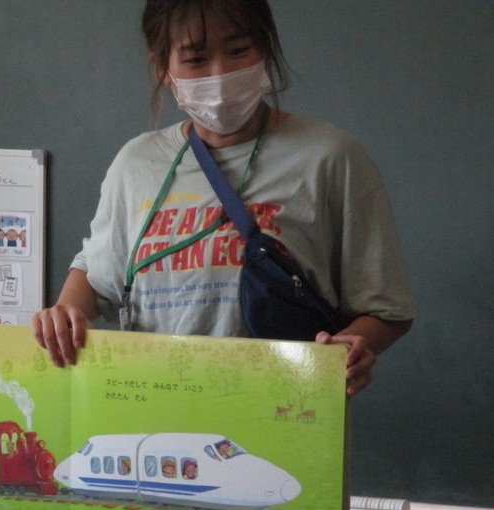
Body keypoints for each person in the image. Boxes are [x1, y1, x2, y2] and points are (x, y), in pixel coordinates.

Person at [32, 0, 415, 396]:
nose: (220, 74)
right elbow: (97, 275)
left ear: (264, 48)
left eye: (238, 50)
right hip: (152, 411)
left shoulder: (331, 157)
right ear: (163, 67)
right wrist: (66, 314)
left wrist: (353, 347)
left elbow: (387, 310)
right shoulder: (136, 163)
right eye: (196, 59)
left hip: (285, 412)